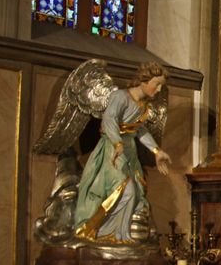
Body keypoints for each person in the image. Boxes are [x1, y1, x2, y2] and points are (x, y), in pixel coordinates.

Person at [74, 63, 172, 244]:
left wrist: (157, 151)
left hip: (129, 151)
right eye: (156, 84)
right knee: (125, 191)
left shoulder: (142, 106)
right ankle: (102, 232)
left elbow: (139, 131)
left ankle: (120, 236)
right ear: (144, 80)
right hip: (113, 150)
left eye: (161, 86)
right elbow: (109, 118)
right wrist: (117, 142)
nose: (158, 90)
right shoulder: (121, 96)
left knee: (136, 195)